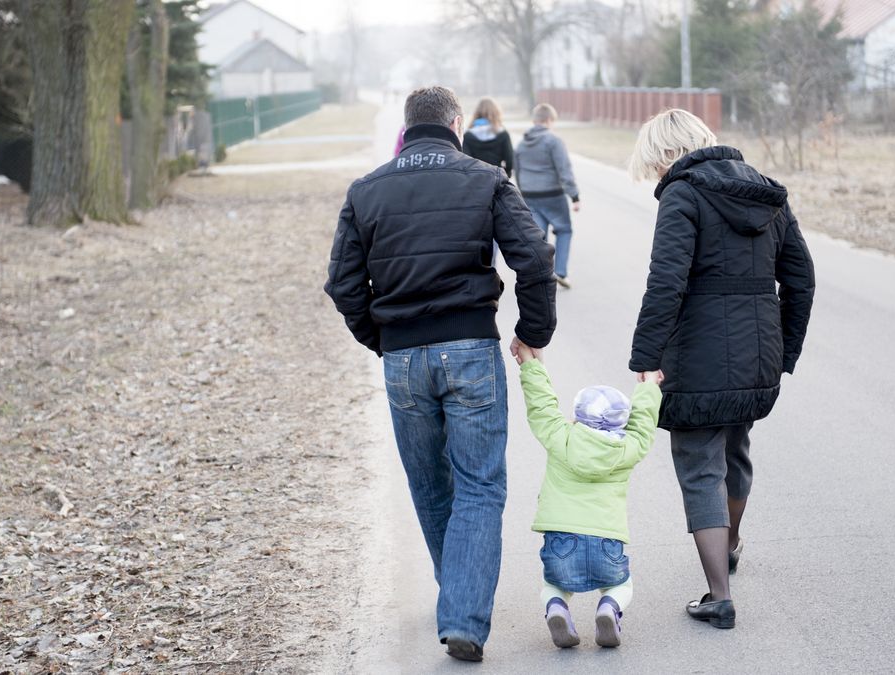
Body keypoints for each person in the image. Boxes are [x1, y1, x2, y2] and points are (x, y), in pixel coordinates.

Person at [324, 86, 557, 662]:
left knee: (430, 484)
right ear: (456, 125)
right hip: (471, 348)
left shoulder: (366, 190)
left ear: (406, 129)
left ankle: (456, 599)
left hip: (404, 358)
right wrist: (534, 331)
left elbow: (344, 285)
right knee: (479, 485)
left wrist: (383, 340)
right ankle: (463, 616)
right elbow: (534, 256)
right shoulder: (486, 179)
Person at [626, 109, 815, 629]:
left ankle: (719, 595)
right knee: (735, 450)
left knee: (699, 464)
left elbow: (666, 282)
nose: (657, 174)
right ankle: (728, 546)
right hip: (759, 356)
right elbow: (801, 279)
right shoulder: (767, 193)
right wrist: (784, 350)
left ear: (666, 154)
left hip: (697, 358)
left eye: (655, 164)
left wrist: (645, 358)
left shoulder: (683, 193)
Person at [514, 344, 661, 649]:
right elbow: (644, 424)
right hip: (608, 541)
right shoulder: (628, 448)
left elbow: (542, 406)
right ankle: (609, 606)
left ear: (578, 416)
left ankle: (556, 607)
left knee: (553, 584)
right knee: (621, 585)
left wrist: (531, 364)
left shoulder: (561, 437)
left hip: (561, 540)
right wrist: (649, 385)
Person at [515, 103, 580, 288]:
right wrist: (574, 196)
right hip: (553, 194)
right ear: (549, 120)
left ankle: (542, 274)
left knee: (539, 236)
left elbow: (517, 170)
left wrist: (522, 191)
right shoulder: (553, 141)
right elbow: (564, 170)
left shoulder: (521, 144)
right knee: (564, 230)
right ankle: (560, 272)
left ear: (534, 120)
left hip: (529, 194)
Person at [462, 97, 514, 179]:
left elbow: (465, 162)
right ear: (496, 113)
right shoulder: (503, 134)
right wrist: (505, 175)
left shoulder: (467, 136)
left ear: (476, 113)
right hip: (497, 178)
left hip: (476, 179)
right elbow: (510, 162)